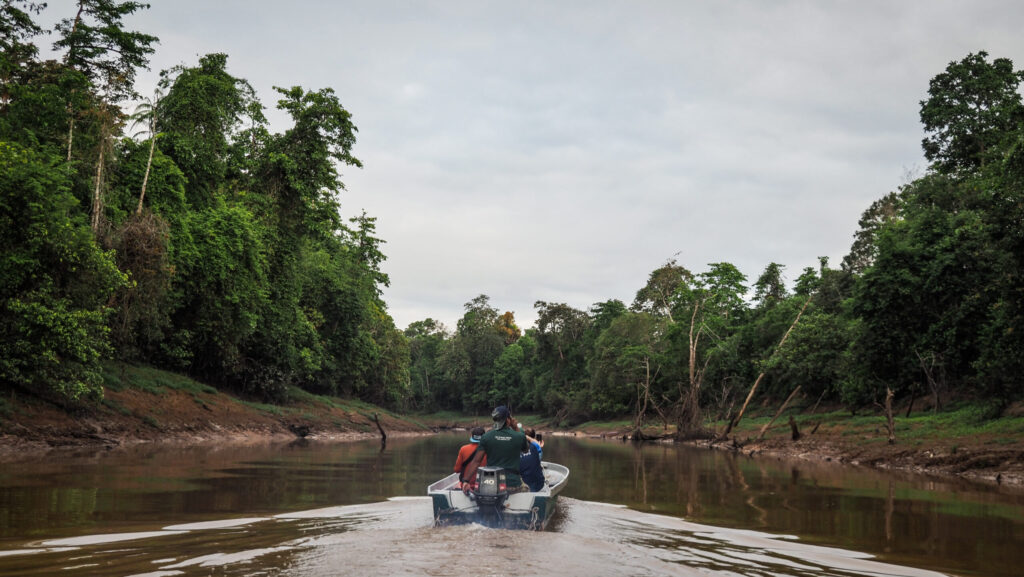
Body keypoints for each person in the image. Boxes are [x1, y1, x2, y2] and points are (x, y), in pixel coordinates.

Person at [461, 405, 529, 493]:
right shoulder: (519, 436)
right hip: (512, 484)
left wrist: (466, 481)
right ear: (508, 420)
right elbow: (526, 449)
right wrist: (516, 428)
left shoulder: (486, 437)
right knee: (526, 488)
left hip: (491, 485)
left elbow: (476, 461)